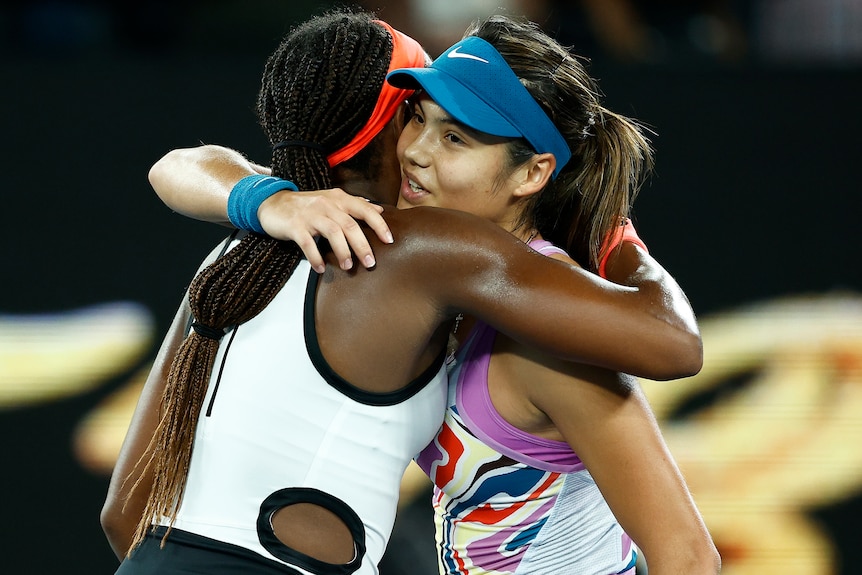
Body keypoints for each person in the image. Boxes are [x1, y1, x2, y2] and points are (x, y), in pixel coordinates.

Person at [102, 8, 704, 575]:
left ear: (532, 172)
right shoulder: (381, 242)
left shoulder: (258, 253)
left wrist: (616, 234)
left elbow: (687, 554)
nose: (415, 150)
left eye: (456, 139)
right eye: (416, 117)